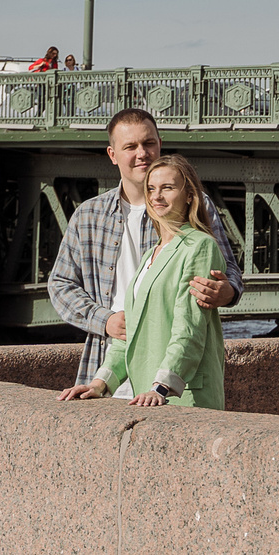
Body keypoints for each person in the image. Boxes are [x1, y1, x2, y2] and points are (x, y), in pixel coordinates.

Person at [44, 108, 241, 391]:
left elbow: (229, 271)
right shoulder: (88, 215)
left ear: (160, 144)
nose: (142, 153)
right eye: (130, 146)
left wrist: (228, 291)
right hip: (107, 364)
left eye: (149, 143)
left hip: (171, 372)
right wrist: (105, 320)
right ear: (113, 155)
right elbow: (60, 284)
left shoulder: (194, 206)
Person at [58, 154, 227, 409]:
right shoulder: (152, 253)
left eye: (167, 188)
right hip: (149, 396)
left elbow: (190, 329)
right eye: (151, 189)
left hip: (184, 395)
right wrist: (98, 384)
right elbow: (130, 331)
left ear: (190, 195)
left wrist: (161, 386)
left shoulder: (200, 246)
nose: (156, 196)